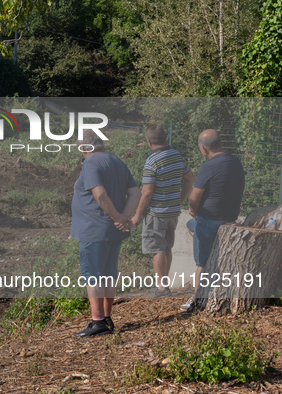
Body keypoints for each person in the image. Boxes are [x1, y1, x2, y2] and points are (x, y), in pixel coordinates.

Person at [72, 130, 141, 337]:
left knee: (92, 276)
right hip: (113, 231)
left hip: (94, 230)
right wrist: (123, 217)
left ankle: (97, 321)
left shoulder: (90, 164)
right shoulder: (117, 161)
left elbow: (100, 194)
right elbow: (135, 193)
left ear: (84, 148)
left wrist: (117, 217)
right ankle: (107, 318)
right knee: (109, 275)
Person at [181, 129, 245, 313]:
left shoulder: (207, 166)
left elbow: (194, 198)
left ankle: (197, 302)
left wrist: (193, 210)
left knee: (201, 263)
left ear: (203, 148)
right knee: (190, 226)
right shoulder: (235, 162)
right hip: (229, 219)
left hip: (210, 221)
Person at [131, 125, 195, 297]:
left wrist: (136, 216)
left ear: (149, 141)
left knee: (157, 248)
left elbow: (147, 192)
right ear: (164, 138)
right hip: (173, 212)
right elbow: (190, 178)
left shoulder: (152, 161)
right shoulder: (177, 155)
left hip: (156, 213)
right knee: (167, 247)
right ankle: (164, 284)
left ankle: (161, 287)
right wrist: (180, 200)